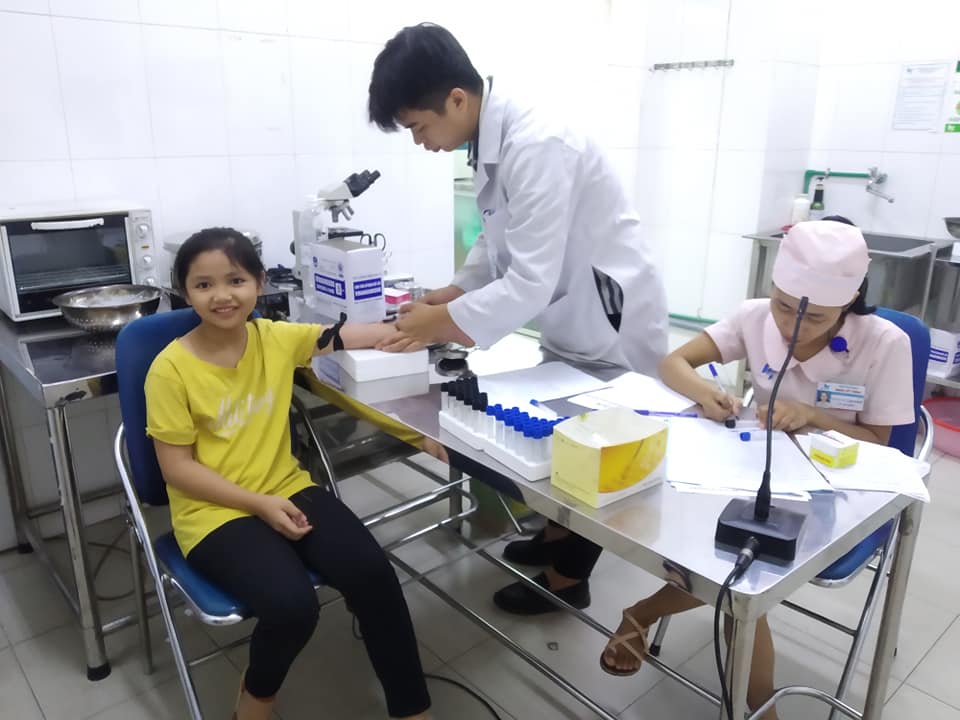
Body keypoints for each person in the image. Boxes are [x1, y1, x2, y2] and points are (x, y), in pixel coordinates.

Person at [367, 22, 668, 615]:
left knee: (598, 436)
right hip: (568, 312)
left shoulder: (539, 144)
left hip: (609, 314)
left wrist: (436, 322)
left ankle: (569, 579)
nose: (419, 141)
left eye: (418, 127)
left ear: (456, 99)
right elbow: (497, 238)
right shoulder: (492, 142)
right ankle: (556, 538)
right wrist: (449, 291)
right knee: (561, 428)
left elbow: (529, 279)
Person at [598, 220, 914, 718]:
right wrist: (706, 393)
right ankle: (758, 702)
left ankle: (655, 623)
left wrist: (813, 417)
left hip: (841, 489)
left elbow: (885, 444)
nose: (792, 325)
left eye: (815, 319)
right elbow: (674, 362)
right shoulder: (753, 318)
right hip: (754, 469)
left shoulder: (885, 343)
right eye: (783, 306)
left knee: (741, 564)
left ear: (848, 304)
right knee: (712, 542)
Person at [145, 228, 431, 720]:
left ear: (259, 282)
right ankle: (254, 703)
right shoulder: (169, 370)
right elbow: (177, 470)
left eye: (235, 279)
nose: (222, 296)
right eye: (204, 285)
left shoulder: (274, 338)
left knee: (374, 576)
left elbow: (343, 335)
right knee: (291, 606)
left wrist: (420, 329)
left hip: (287, 487)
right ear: (184, 293)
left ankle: (411, 708)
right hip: (212, 513)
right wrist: (258, 505)